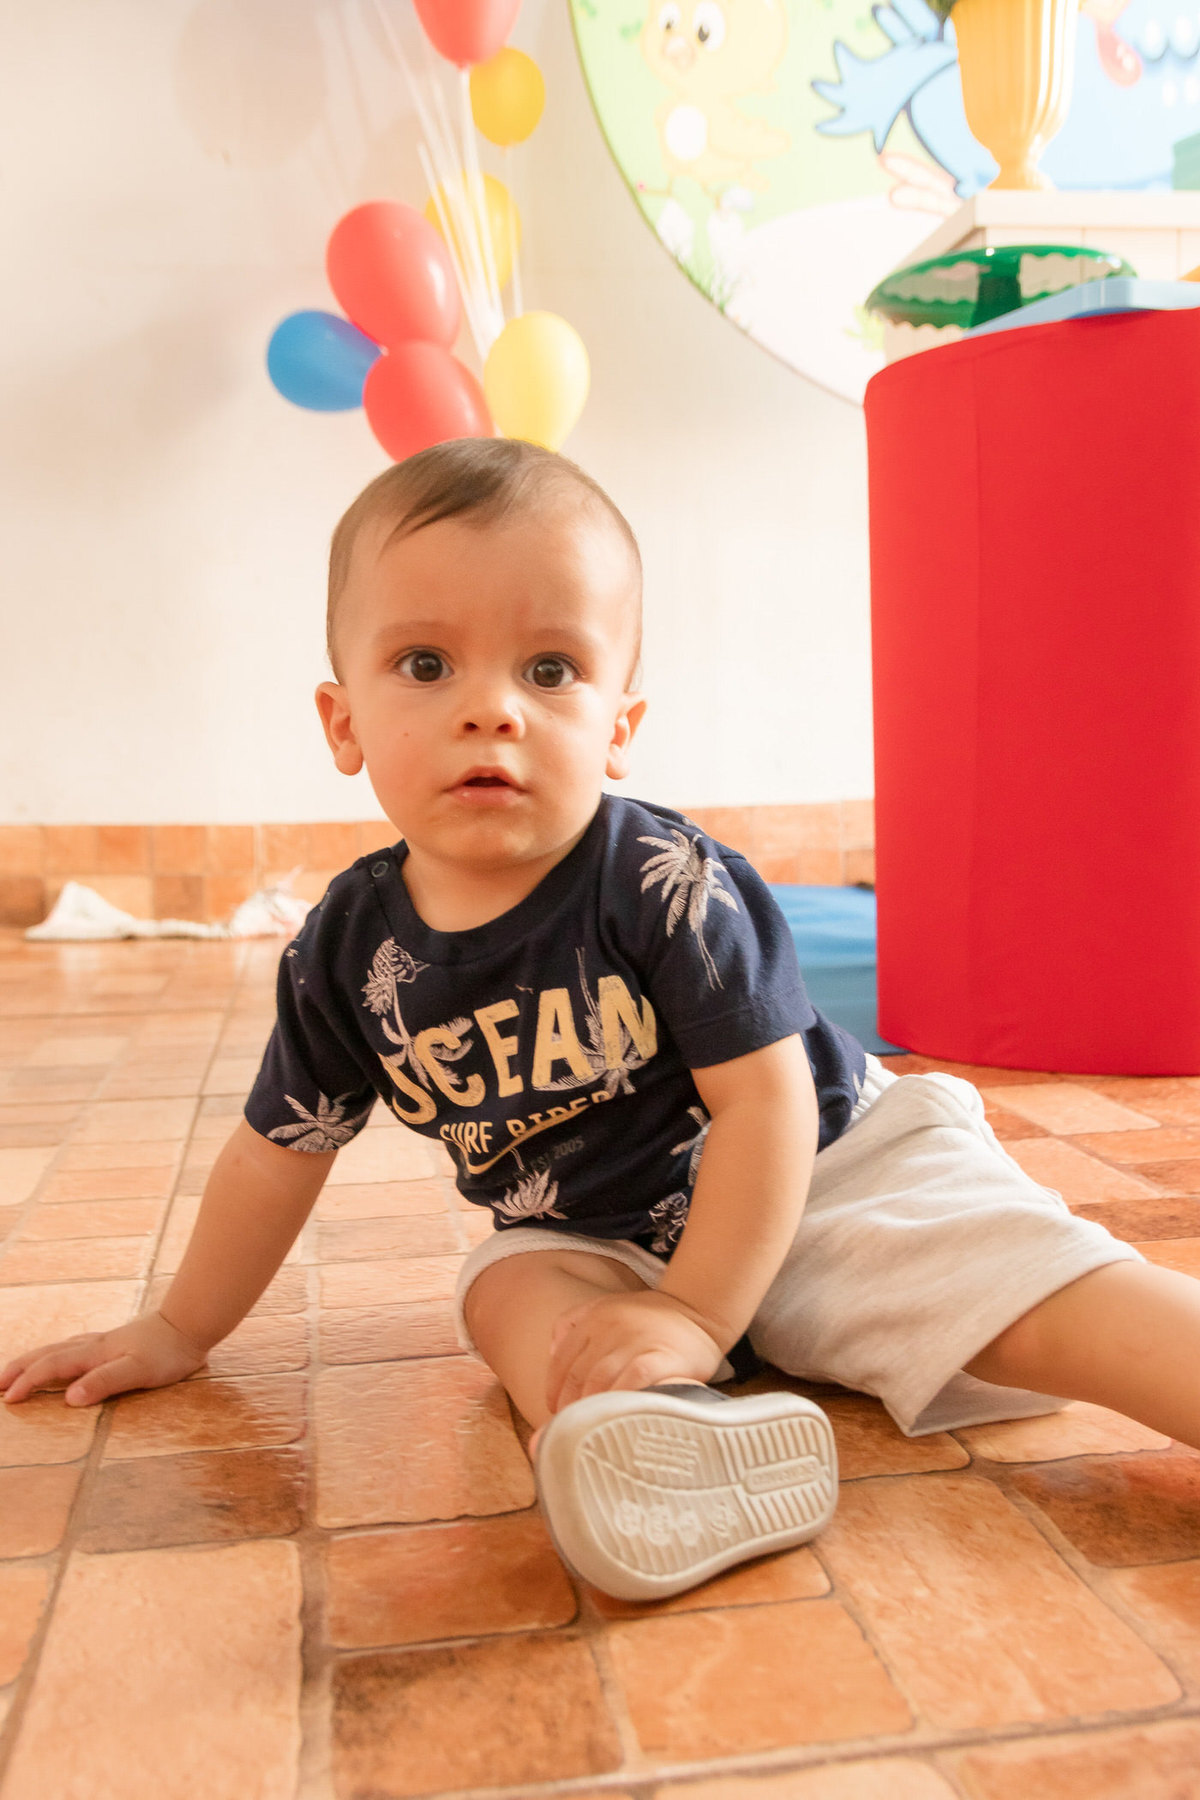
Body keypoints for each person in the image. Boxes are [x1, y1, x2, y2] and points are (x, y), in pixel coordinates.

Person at [6, 438, 1200, 1603]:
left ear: (618, 725)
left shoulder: (662, 881)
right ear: (343, 722)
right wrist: (181, 1326)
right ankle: (656, 1435)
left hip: (827, 1175)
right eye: (426, 664)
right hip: (606, 1235)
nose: (491, 710)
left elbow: (768, 1107)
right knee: (505, 1289)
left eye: (549, 670)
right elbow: (277, 1153)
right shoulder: (348, 950)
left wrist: (697, 1311)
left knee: (1039, 1307)